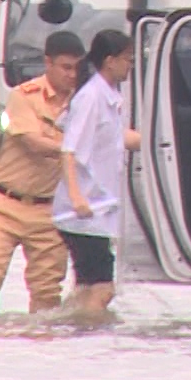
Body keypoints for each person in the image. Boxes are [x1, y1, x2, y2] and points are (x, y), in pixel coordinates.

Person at [0, 31, 82, 315]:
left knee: (46, 293)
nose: (72, 75)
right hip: (4, 203)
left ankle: (40, 353)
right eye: (66, 67)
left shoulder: (84, 104)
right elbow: (33, 142)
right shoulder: (24, 96)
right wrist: (75, 148)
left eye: (77, 68)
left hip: (49, 211)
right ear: (48, 63)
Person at [55, 29, 141, 316]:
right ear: (110, 61)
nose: (131, 65)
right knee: (103, 289)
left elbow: (117, 139)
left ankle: (68, 326)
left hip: (99, 208)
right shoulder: (91, 97)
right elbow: (68, 150)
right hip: (84, 210)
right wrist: (78, 198)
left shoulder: (110, 95)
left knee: (86, 287)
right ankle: (91, 337)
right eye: (128, 59)